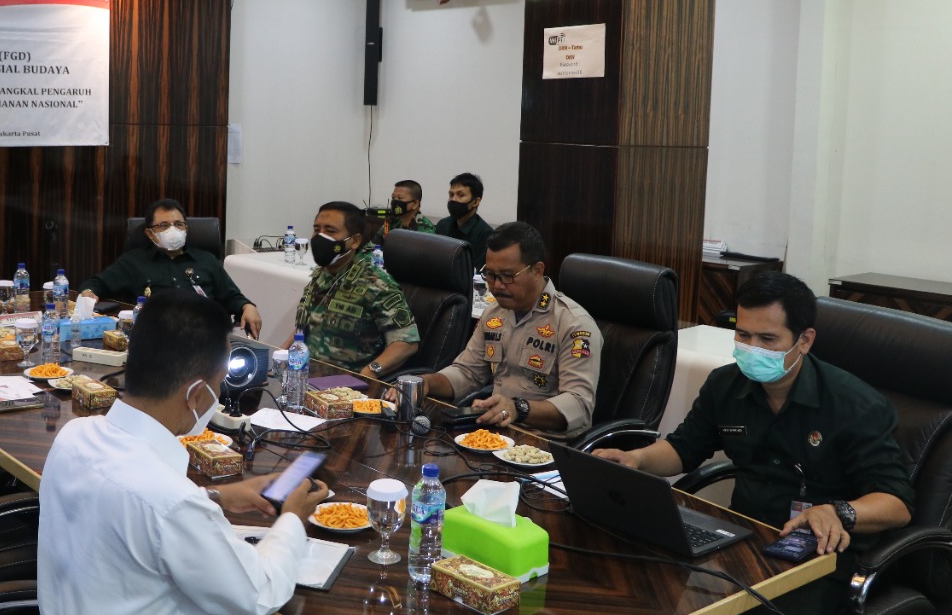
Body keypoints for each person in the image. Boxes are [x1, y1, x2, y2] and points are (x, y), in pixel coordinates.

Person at [594, 272, 913, 613]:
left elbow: (897, 503)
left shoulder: (854, 405)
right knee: (650, 581)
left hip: (824, 555)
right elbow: (683, 449)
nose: (752, 349)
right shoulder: (724, 385)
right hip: (745, 536)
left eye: (767, 339)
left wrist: (837, 511)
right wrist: (636, 460)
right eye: (743, 335)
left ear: (804, 340)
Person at [38, 289, 328, 615]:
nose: (217, 395)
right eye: (218, 385)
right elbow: (258, 594)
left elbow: (131, 511)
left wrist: (215, 497)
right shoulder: (173, 504)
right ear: (194, 395)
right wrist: (292, 518)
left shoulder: (73, 436)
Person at [390, 221, 601, 438]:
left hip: (545, 448)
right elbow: (468, 372)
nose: (497, 286)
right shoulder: (495, 314)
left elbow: (579, 405)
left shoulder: (574, 325)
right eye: (490, 275)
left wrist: (519, 409)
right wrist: (428, 382)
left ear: (537, 270)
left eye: (508, 276)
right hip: (496, 435)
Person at [77, 199, 262, 337]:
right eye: (164, 225)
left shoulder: (207, 260)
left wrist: (248, 306)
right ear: (150, 233)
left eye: (178, 224)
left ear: (186, 228)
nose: (173, 230)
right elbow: (95, 284)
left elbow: (232, 297)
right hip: (155, 338)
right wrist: (88, 292)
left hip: (206, 338)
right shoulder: (133, 262)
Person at [285, 201, 419, 376]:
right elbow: (305, 327)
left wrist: (371, 371)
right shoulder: (320, 276)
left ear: (355, 241)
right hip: (304, 379)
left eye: (330, 231)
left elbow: (407, 343)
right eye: (317, 230)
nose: (320, 237)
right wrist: (280, 357)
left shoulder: (375, 283)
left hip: (346, 388)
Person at [434, 172, 493, 268]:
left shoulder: (485, 233)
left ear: (476, 201)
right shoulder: (443, 225)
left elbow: (479, 273)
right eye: (451, 195)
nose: (453, 199)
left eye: (460, 195)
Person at [373, 179, 436, 245]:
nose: (395, 202)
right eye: (393, 198)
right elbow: (371, 246)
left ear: (415, 204)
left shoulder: (425, 228)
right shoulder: (390, 221)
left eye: (400, 198)